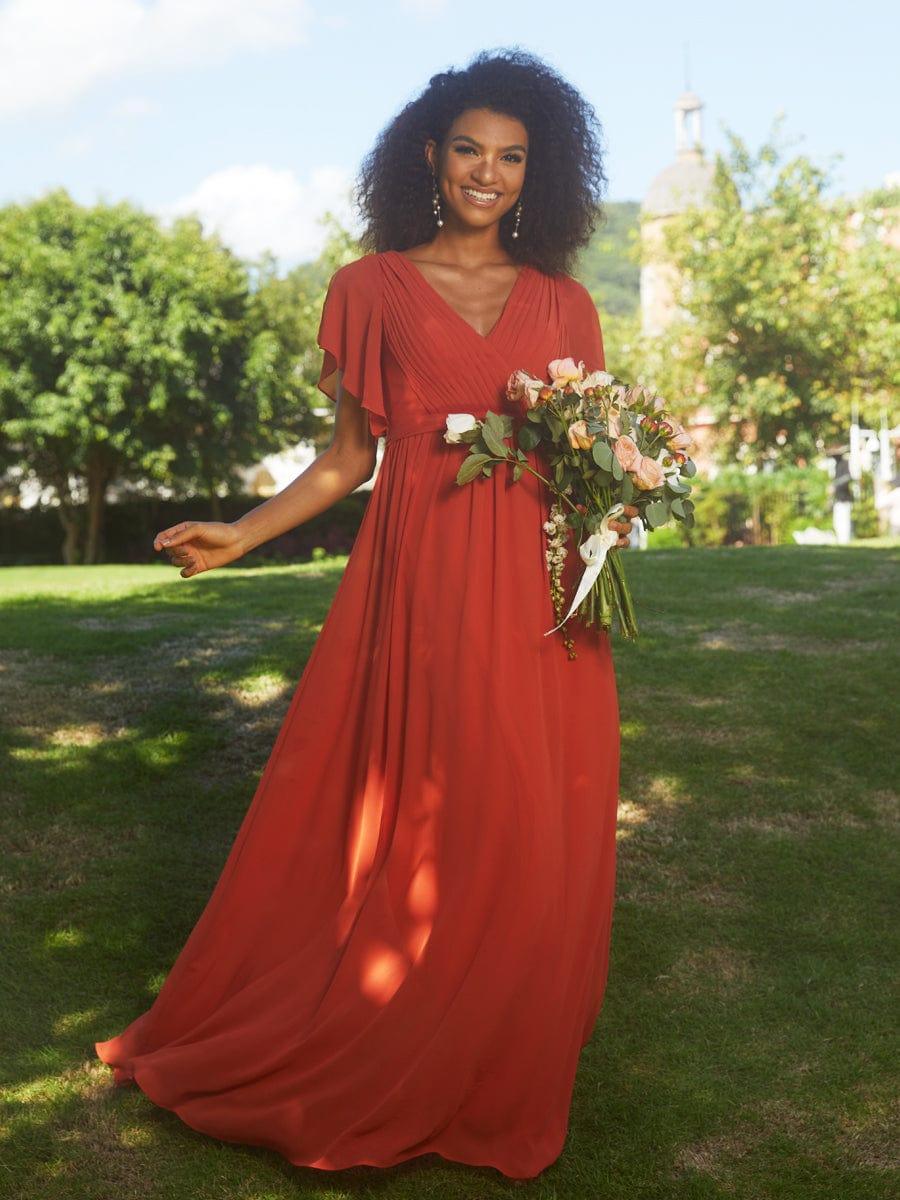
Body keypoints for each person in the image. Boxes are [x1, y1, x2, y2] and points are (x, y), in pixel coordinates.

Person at [95, 48, 637, 1182]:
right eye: (468, 151)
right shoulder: (371, 287)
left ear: (537, 173)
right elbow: (348, 458)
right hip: (426, 577)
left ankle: (496, 1054)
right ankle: (391, 1034)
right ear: (429, 159)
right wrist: (243, 532)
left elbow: (588, 452)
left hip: (542, 596)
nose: (487, 174)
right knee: (435, 806)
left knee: (536, 819)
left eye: (511, 157)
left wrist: (617, 512)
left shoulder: (566, 301)